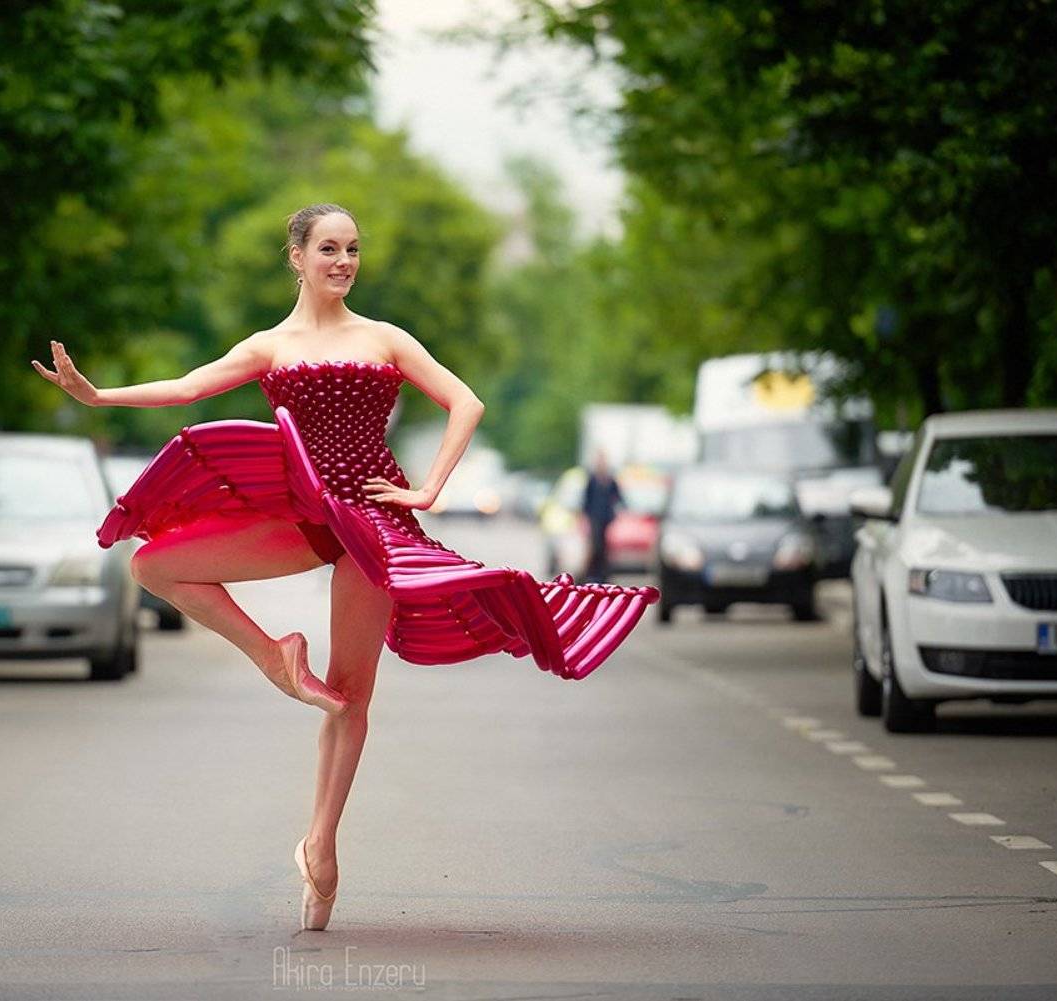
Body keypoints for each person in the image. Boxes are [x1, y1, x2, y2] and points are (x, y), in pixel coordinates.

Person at [33, 203, 658, 931]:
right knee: (156, 565)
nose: (344, 261)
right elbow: (186, 388)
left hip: (374, 522)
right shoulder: (269, 345)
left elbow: (467, 401)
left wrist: (426, 489)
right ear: (296, 257)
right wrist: (97, 394)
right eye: (329, 248)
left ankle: (322, 844)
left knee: (352, 694)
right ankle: (274, 656)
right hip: (302, 513)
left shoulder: (385, 338)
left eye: (353, 248)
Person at [580, 449, 625, 584]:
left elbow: (618, 496)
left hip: (606, 517)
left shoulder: (610, 479)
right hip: (594, 517)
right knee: (595, 546)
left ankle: (603, 575)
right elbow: (586, 499)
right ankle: (592, 574)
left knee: (604, 547)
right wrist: (585, 515)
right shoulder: (592, 478)